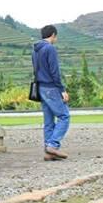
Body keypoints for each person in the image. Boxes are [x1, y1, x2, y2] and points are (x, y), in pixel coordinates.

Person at [32, 24, 70, 161]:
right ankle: (53, 145)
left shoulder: (35, 50)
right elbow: (55, 72)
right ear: (53, 35)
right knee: (64, 116)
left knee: (48, 121)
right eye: (56, 36)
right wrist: (62, 90)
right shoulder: (50, 49)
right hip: (51, 87)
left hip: (40, 88)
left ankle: (49, 152)